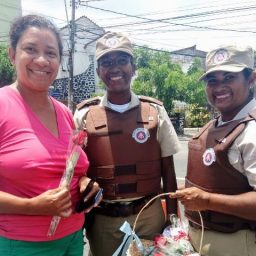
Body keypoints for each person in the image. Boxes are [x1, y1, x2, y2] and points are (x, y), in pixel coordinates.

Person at [0, 14, 101, 256]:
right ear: (12, 54)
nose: (42, 60)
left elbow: (72, 169)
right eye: (31, 49)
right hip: (24, 244)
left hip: (74, 237)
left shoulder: (65, 113)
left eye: (51, 53)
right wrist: (31, 206)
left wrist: (85, 184)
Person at [74, 31, 180, 256]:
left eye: (122, 61)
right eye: (107, 62)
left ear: (133, 67)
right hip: (102, 222)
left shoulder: (155, 111)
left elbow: (168, 170)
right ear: (98, 71)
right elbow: (73, 170)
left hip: (149, 217)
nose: (115, 68)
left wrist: (172, 221)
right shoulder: (83, 115)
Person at [170, 45, 256, 256]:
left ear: (251, 79)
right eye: (212, 81)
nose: (219, 87)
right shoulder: (216, 124)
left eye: (229, 78)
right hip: (198, 238)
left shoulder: (252, 129)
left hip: (237, 244)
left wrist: (206, 200)